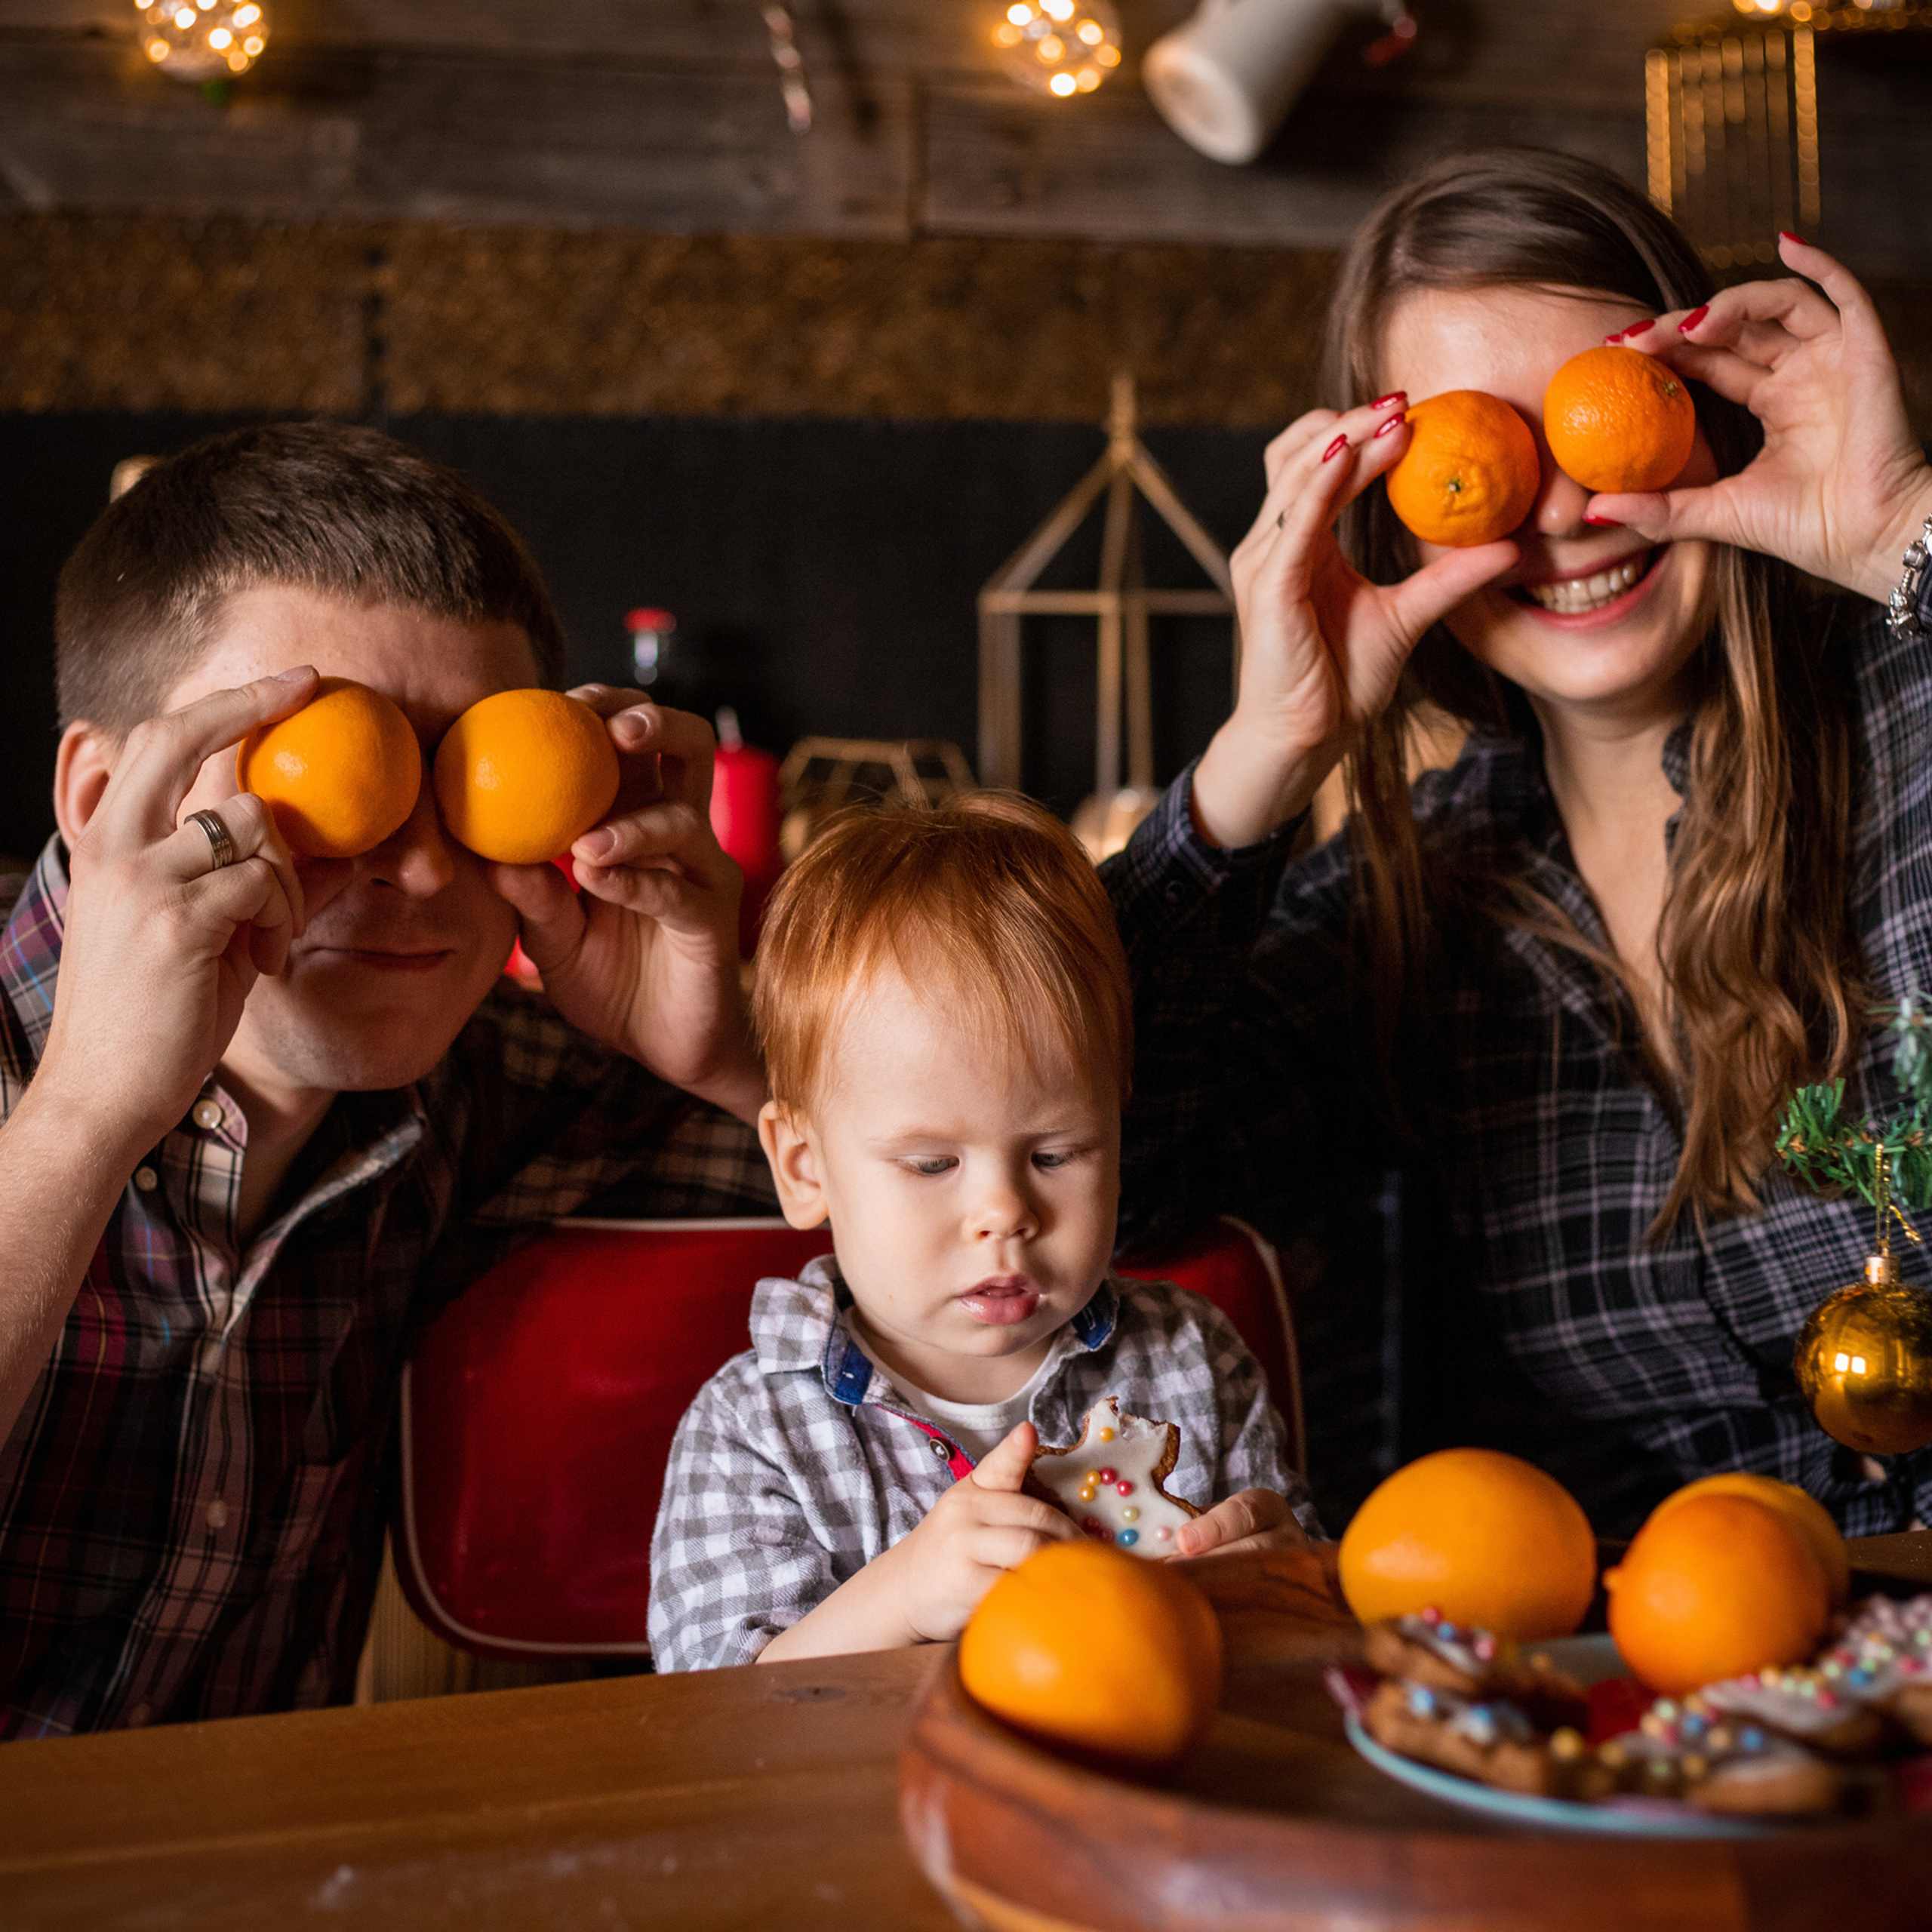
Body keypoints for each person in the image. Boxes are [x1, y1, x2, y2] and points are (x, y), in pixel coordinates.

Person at [1105, 146, 1932, 1537]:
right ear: (1388, 515)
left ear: (1708, 412)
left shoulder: (1909, 694)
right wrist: (1266, 755)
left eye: (1602, 416)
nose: (1560, 510)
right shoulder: (1423, 902)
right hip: (1721, 1653)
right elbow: (1100, 1169)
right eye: (1479, 452)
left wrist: (1904, 525)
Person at [0, 421, 774, 1737]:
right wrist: (80, 1119)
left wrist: (728, 1057)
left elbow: (1031, 1193)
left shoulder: (469, 1090)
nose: (418, 872)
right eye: (331, 777)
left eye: (470, 783)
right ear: (99, 794)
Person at [648, 795, 1318, 1672]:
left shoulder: (1197, 1362)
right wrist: (900, 1599)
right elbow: (710, 1715)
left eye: (1055, 1154)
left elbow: (1306, 1639)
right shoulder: (753, 1432)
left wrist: (1285, 1583)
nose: (1004, 1211)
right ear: (806, 1167)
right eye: (933, 1164)